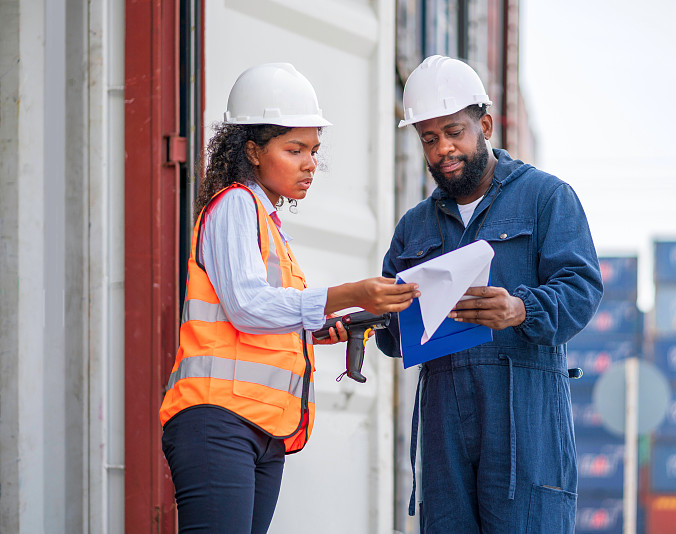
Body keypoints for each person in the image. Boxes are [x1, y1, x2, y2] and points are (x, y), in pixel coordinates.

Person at [159, 63, 419, 533]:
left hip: (261, 428)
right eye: (294, 149)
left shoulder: (266, 222)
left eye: (314, 151)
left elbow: (255, 321)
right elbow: (248, 307)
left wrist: (316, 331)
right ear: (253, 151)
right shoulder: (235, 204)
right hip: (220, 421)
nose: (309, 164)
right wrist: (347, 293)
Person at [376, 55, 604, 533]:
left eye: (454, 132)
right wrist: (370, 317)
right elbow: (392, 335)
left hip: (525, 423)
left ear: (485, 124)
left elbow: (582, 288)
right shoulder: (414, 226)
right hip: (444, 429)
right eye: (429, 139)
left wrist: (521, 308)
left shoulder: (546, 198)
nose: (443, 149)